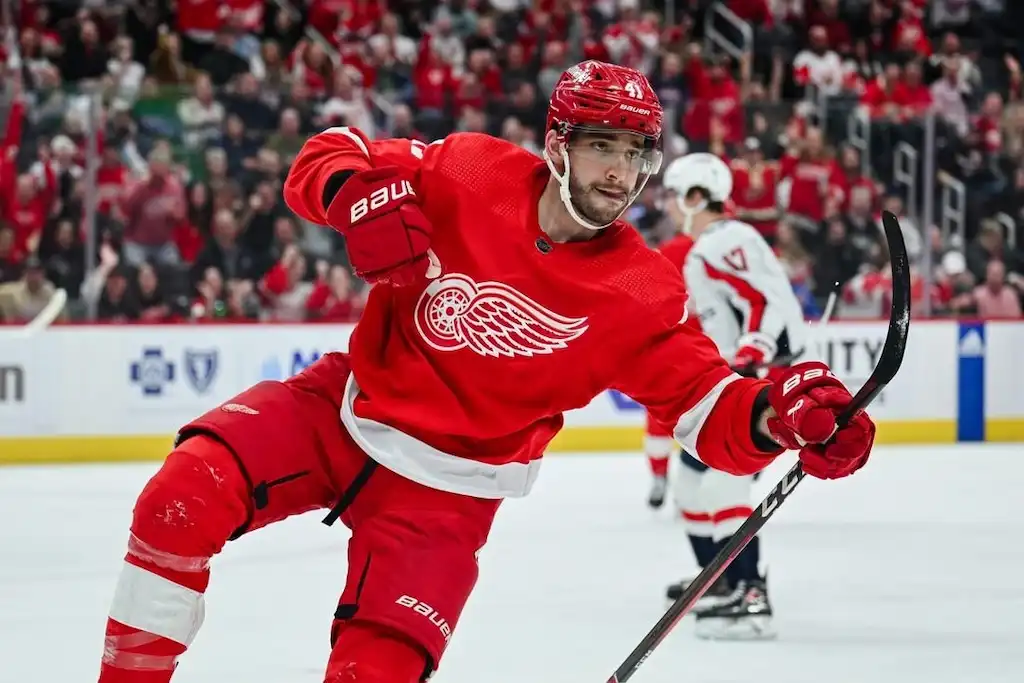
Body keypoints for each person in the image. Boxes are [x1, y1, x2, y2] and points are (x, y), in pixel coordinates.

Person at [95, 61, 875, 683]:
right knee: (179, 496)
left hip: (448, 499)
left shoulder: (642, 290)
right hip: (342, 410)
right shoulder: (470, 168)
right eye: (603, 146)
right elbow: (331, 150)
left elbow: (710, 408)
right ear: (558, 145)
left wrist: (782, 415)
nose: (621, 172)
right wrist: (352, 195)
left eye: (636, 152)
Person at [658, 153, 812, 640]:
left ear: (696, 196)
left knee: (724, 487)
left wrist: (753, 354)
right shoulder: (711, 245)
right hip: (733, 382)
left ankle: (750, 594)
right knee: (689, 485)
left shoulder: (726, 240)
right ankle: (718, 580)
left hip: (758, 383)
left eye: (673, 194)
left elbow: (765, 300)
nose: (667, 205)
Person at [643, 229, 698, 509]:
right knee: (703, 419)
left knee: (660, 418)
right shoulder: (723, 247)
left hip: (670, 346)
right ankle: (690, 485)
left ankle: (660, 477)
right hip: (704, 347)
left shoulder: (666, 250)